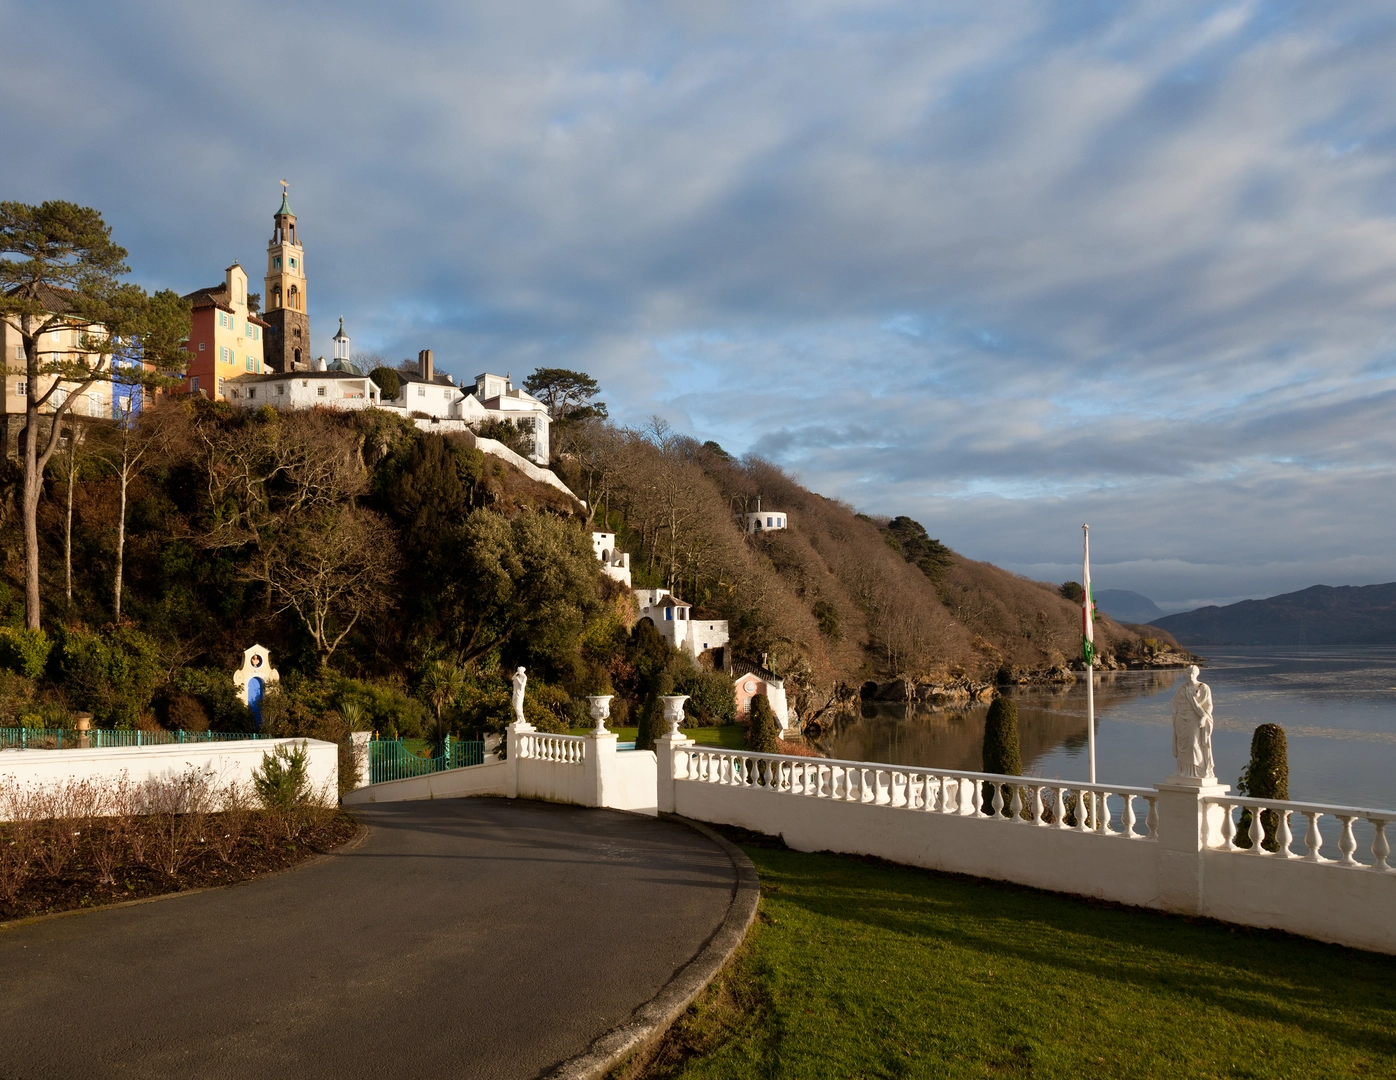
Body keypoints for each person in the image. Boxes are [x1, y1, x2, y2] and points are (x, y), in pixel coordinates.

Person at [1170, 665, 1215, 780]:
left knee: (1194, 744)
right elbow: (1174, 702)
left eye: (1192, 673)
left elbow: (1209, 706)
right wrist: (1175, 714)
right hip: (1181, 718)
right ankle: (1182, 771)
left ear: (1197, 674)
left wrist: (1203, 718)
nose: (1190, 676)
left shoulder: (1203, 687)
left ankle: (1198, 771)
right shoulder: (1182, 688)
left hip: (1195, 717)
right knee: (1181, 746)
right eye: (1188, 673)